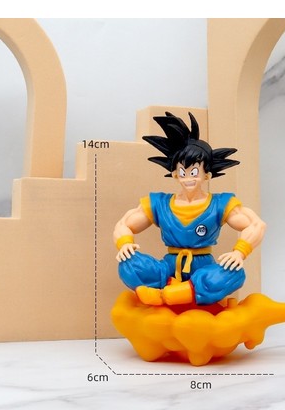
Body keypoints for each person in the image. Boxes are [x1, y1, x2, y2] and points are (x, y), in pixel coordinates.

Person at [113, 111, 266, 306]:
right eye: (182, 172)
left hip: (204, 269)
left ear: (206, 175)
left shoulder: (220, 204)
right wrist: (125, 244)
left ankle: (172, 295)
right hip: (168, 268)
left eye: (194, 172)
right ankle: (176, 289)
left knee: (234, 273)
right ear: (175, 174)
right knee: (129, 264)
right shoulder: (159, 203)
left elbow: (256, 225)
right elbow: (124, 224)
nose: (188, 178)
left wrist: (239, 252)